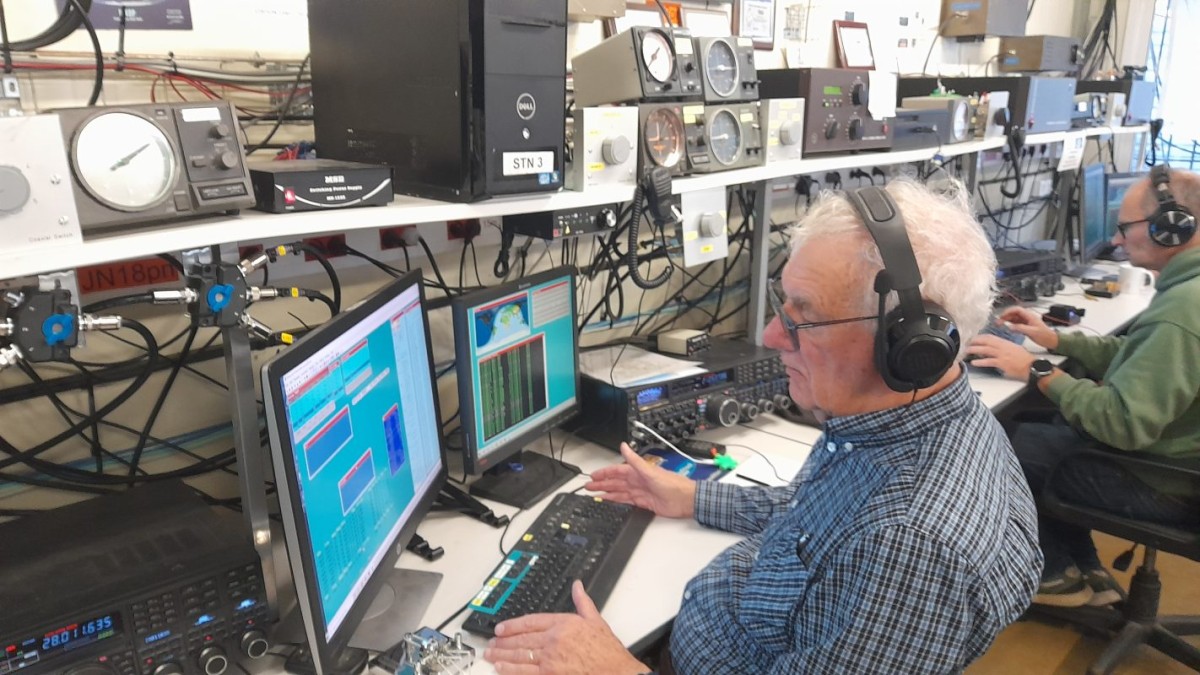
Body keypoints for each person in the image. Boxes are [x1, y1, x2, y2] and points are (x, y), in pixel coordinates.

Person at [484, 179, 1042, 674]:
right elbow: (817, 522)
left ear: (906, 344)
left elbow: (871, 540)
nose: (773, 336)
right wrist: (692, 498)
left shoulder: (910, 550)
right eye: (783, 305)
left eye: (804, 316)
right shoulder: (906, 422)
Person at [966, 166, 1200, 608]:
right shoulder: (1188, 293)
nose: (1115, 239)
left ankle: (1055, 574)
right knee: (1044, 422)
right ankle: (1085, 566)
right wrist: (1056, 341)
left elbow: (1120, 423)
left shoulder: (1183, 310)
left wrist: (1037, 370)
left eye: (1124, 228)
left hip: (1163, 482)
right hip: (1175, 463)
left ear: (1171, 228)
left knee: (994, 443)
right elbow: (1139, 356)